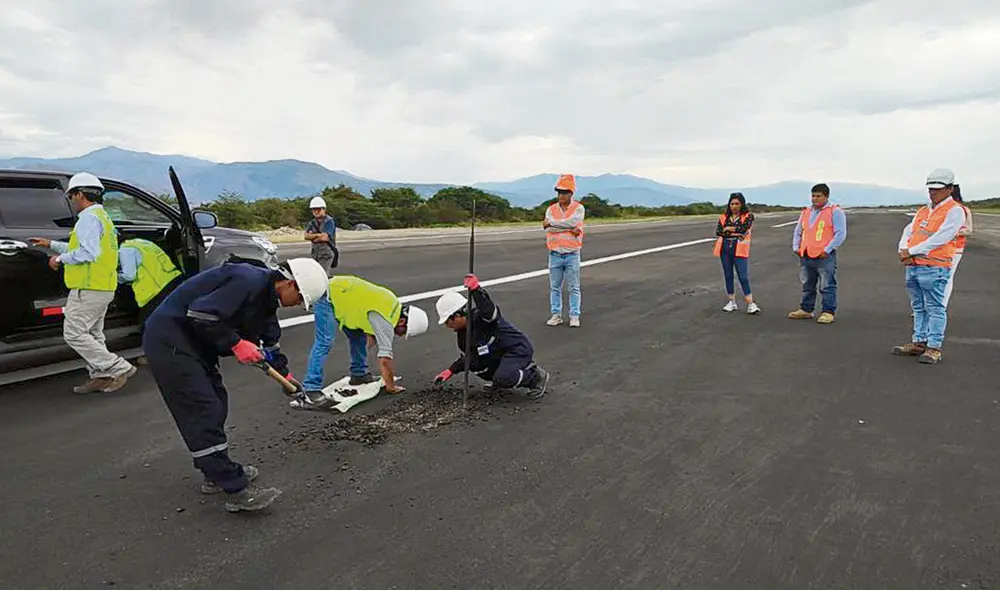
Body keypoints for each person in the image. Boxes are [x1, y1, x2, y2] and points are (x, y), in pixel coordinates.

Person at [141, 257, 328, 513]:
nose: (297, 305)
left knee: (216, 403)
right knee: (201, 408)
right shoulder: (247, 280)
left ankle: (214, 470)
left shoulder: (266, 299)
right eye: (299, 299)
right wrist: (236, 343)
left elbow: (270, 340)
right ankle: (234, 487)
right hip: (170, 340)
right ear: (289, 283)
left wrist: (285, 375)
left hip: (196, 344)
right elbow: (201, 313)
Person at [28, 172, 137, 394]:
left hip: (88, 287)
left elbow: (86, 253)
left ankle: (118, 367)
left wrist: (58, 259)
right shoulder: (103, 218)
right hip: (102, 286)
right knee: (94, 335)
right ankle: (101, 375)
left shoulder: (88, 218)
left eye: (71, 196)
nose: (71, 201)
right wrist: (52, 244)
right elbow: (88, 249)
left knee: (74, 333)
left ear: (79, 195)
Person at [299, 274, 430, 406]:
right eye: (403, 332)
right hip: (327, 296)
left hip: (343, 296)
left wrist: (372, 340)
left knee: (358, 337)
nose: (400, 335)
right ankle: (311, 388)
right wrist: (391, 387)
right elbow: (385, 360)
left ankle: (359, 374)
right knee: (324, 342)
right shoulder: (387, 321)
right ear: (402, 321)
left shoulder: (391, 304)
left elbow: (368, 316)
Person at [433, 274, 550, 399]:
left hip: (517, 349)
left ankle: (535, 377)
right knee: (477, 365)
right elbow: (470, 357)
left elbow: (490, 312)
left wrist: (476, 291)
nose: (447, 326)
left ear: (457, 315)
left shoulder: (482, 318)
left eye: (447, 321)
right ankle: (500, 379)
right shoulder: (462, 336)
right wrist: (451, 370)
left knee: (504, 377)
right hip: (498, 354)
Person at [891, 168, 966, 364]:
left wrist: (912, 251)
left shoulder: (955, 211)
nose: (933, 192)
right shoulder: (923, 210)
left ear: (950, 189)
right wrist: (903, 249)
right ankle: (919, 341)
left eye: (938, 189)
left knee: (934, 306)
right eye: (931, 188)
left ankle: (934, 347)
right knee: (918, 306)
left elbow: (942, 237)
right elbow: (908, 231)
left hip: (935, 266)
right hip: (914, 265)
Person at [117, 237, 185, 363]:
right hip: (171, 280)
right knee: (168, 320)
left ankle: (157, 355)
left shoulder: (126, 250)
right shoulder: (142, 243)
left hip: (156, 289)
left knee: (149, 324)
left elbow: (129, 275)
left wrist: (114, 277)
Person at [787, 183, 847, 324]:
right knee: (807, 283)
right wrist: (796, 247)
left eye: (818, 196)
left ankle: (828, 311)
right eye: (813, 196)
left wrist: (828, 250)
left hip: (824, 255)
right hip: (806, 253)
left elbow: (840, 233)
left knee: (827, 285)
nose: (815, 199)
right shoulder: (806, 212)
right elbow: (798, 230)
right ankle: (806, 309)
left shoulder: (835, 211)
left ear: (826, 196)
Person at [544, 174, 585, 327]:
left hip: (571, 253)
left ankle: (574, 315)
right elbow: (565, 225)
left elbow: (573, 222)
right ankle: (556, 314)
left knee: (574, 287)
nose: (561, 195)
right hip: (554, 253)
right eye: (559, 192)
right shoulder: (551, 209)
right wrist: (568, 228)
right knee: (555, 287)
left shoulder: (578, 208)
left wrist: (553, 224)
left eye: (564, 192)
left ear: (571, 193)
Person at [713, 192, 760, 314]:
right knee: (728, 275)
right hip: (725, 248)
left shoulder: (748, 216)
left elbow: (744, 229)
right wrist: (737, 232)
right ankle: (731, 302)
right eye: (732, 204)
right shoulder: (723, 217)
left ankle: (750, 303)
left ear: (742, 204)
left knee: (743, 276)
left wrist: (729, 229)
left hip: (739, 249)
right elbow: (719, 232)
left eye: (737, 204)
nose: (734, 206)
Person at [943, 184, 972, 308]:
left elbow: (969, 230)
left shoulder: (963, 209)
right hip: (939, 248)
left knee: (948, 277)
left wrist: (954, 232)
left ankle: (941, 306)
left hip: (955, 248)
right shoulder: (941, 208)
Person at [303, 196, 338, 276]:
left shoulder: (329, 221)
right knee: (315, 276)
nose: (316, 211)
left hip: (326, 254)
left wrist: (313, 236)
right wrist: (318, 235)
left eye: (318, 209)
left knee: (322, 276)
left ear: (324, 209)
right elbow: (306, 236)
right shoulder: (312, 222)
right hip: (315, 254)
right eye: (314, 209)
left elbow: (324, 237)